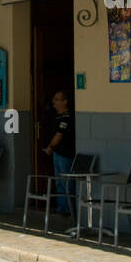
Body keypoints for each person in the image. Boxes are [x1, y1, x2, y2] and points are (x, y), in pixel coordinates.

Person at [43, 89, 75, 217]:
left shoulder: (66, 117)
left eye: (57, 99)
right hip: (58, 153)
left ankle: (70, 209)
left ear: (65, 102)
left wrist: (50, 147)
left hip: (65, 154)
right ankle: (62, 207)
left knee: (66, 182)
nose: (53, 102)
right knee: (59, 182)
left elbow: (59, 135)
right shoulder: (56, 116)